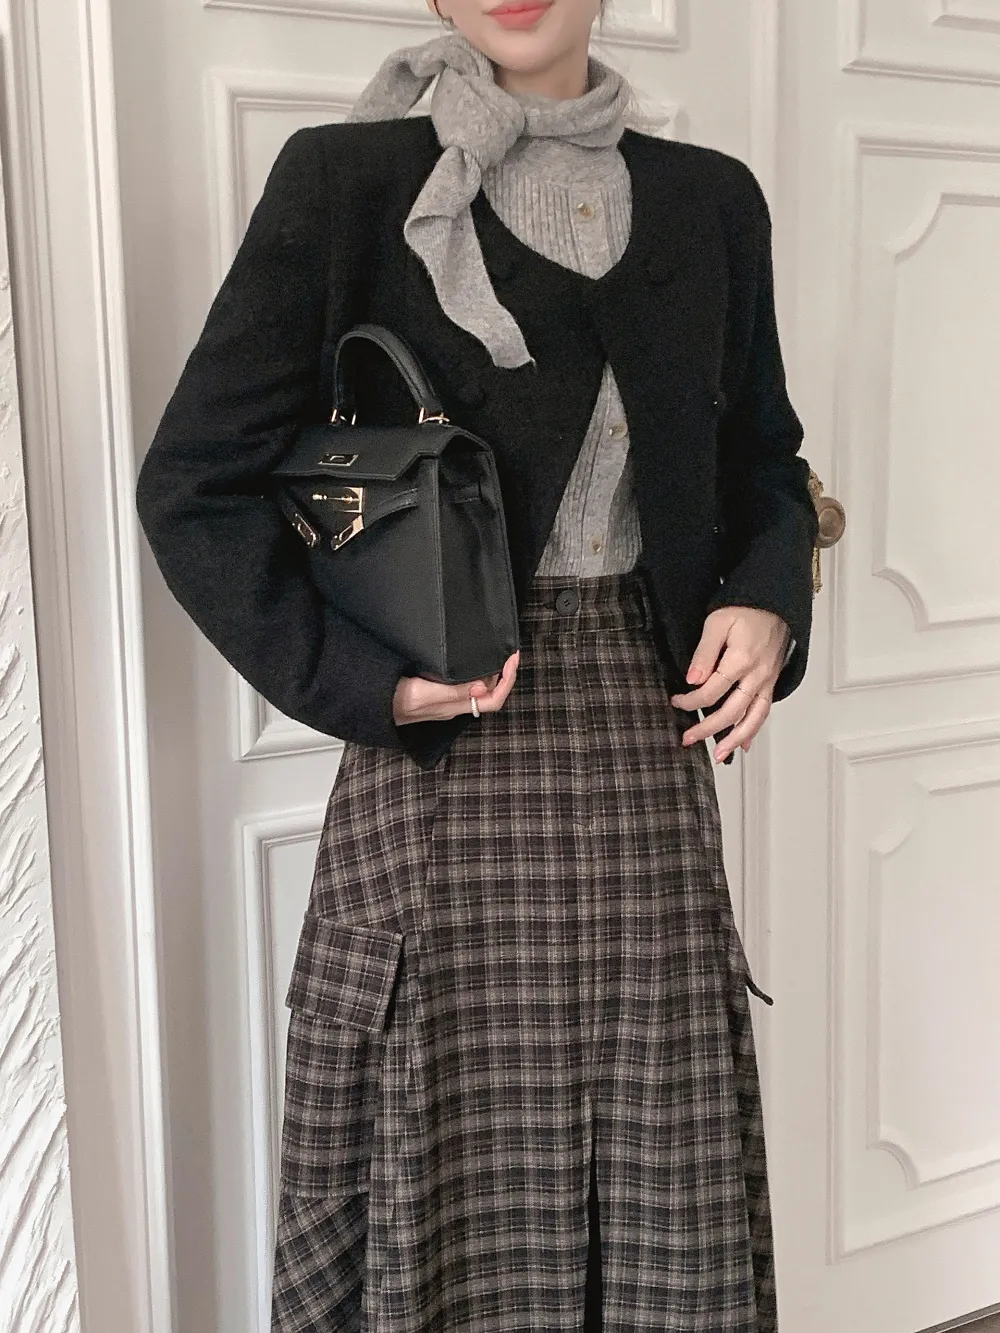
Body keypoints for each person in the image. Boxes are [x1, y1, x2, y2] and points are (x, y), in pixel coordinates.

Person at [135, 1, 819, 1329]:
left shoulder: (711, 203)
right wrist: (363, 684)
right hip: (441, 746)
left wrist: (768, 598)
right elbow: (195, 484)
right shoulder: (348, 183)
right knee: (442, 1154)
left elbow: (764, 461)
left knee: (658, 1159)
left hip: (645, 736)